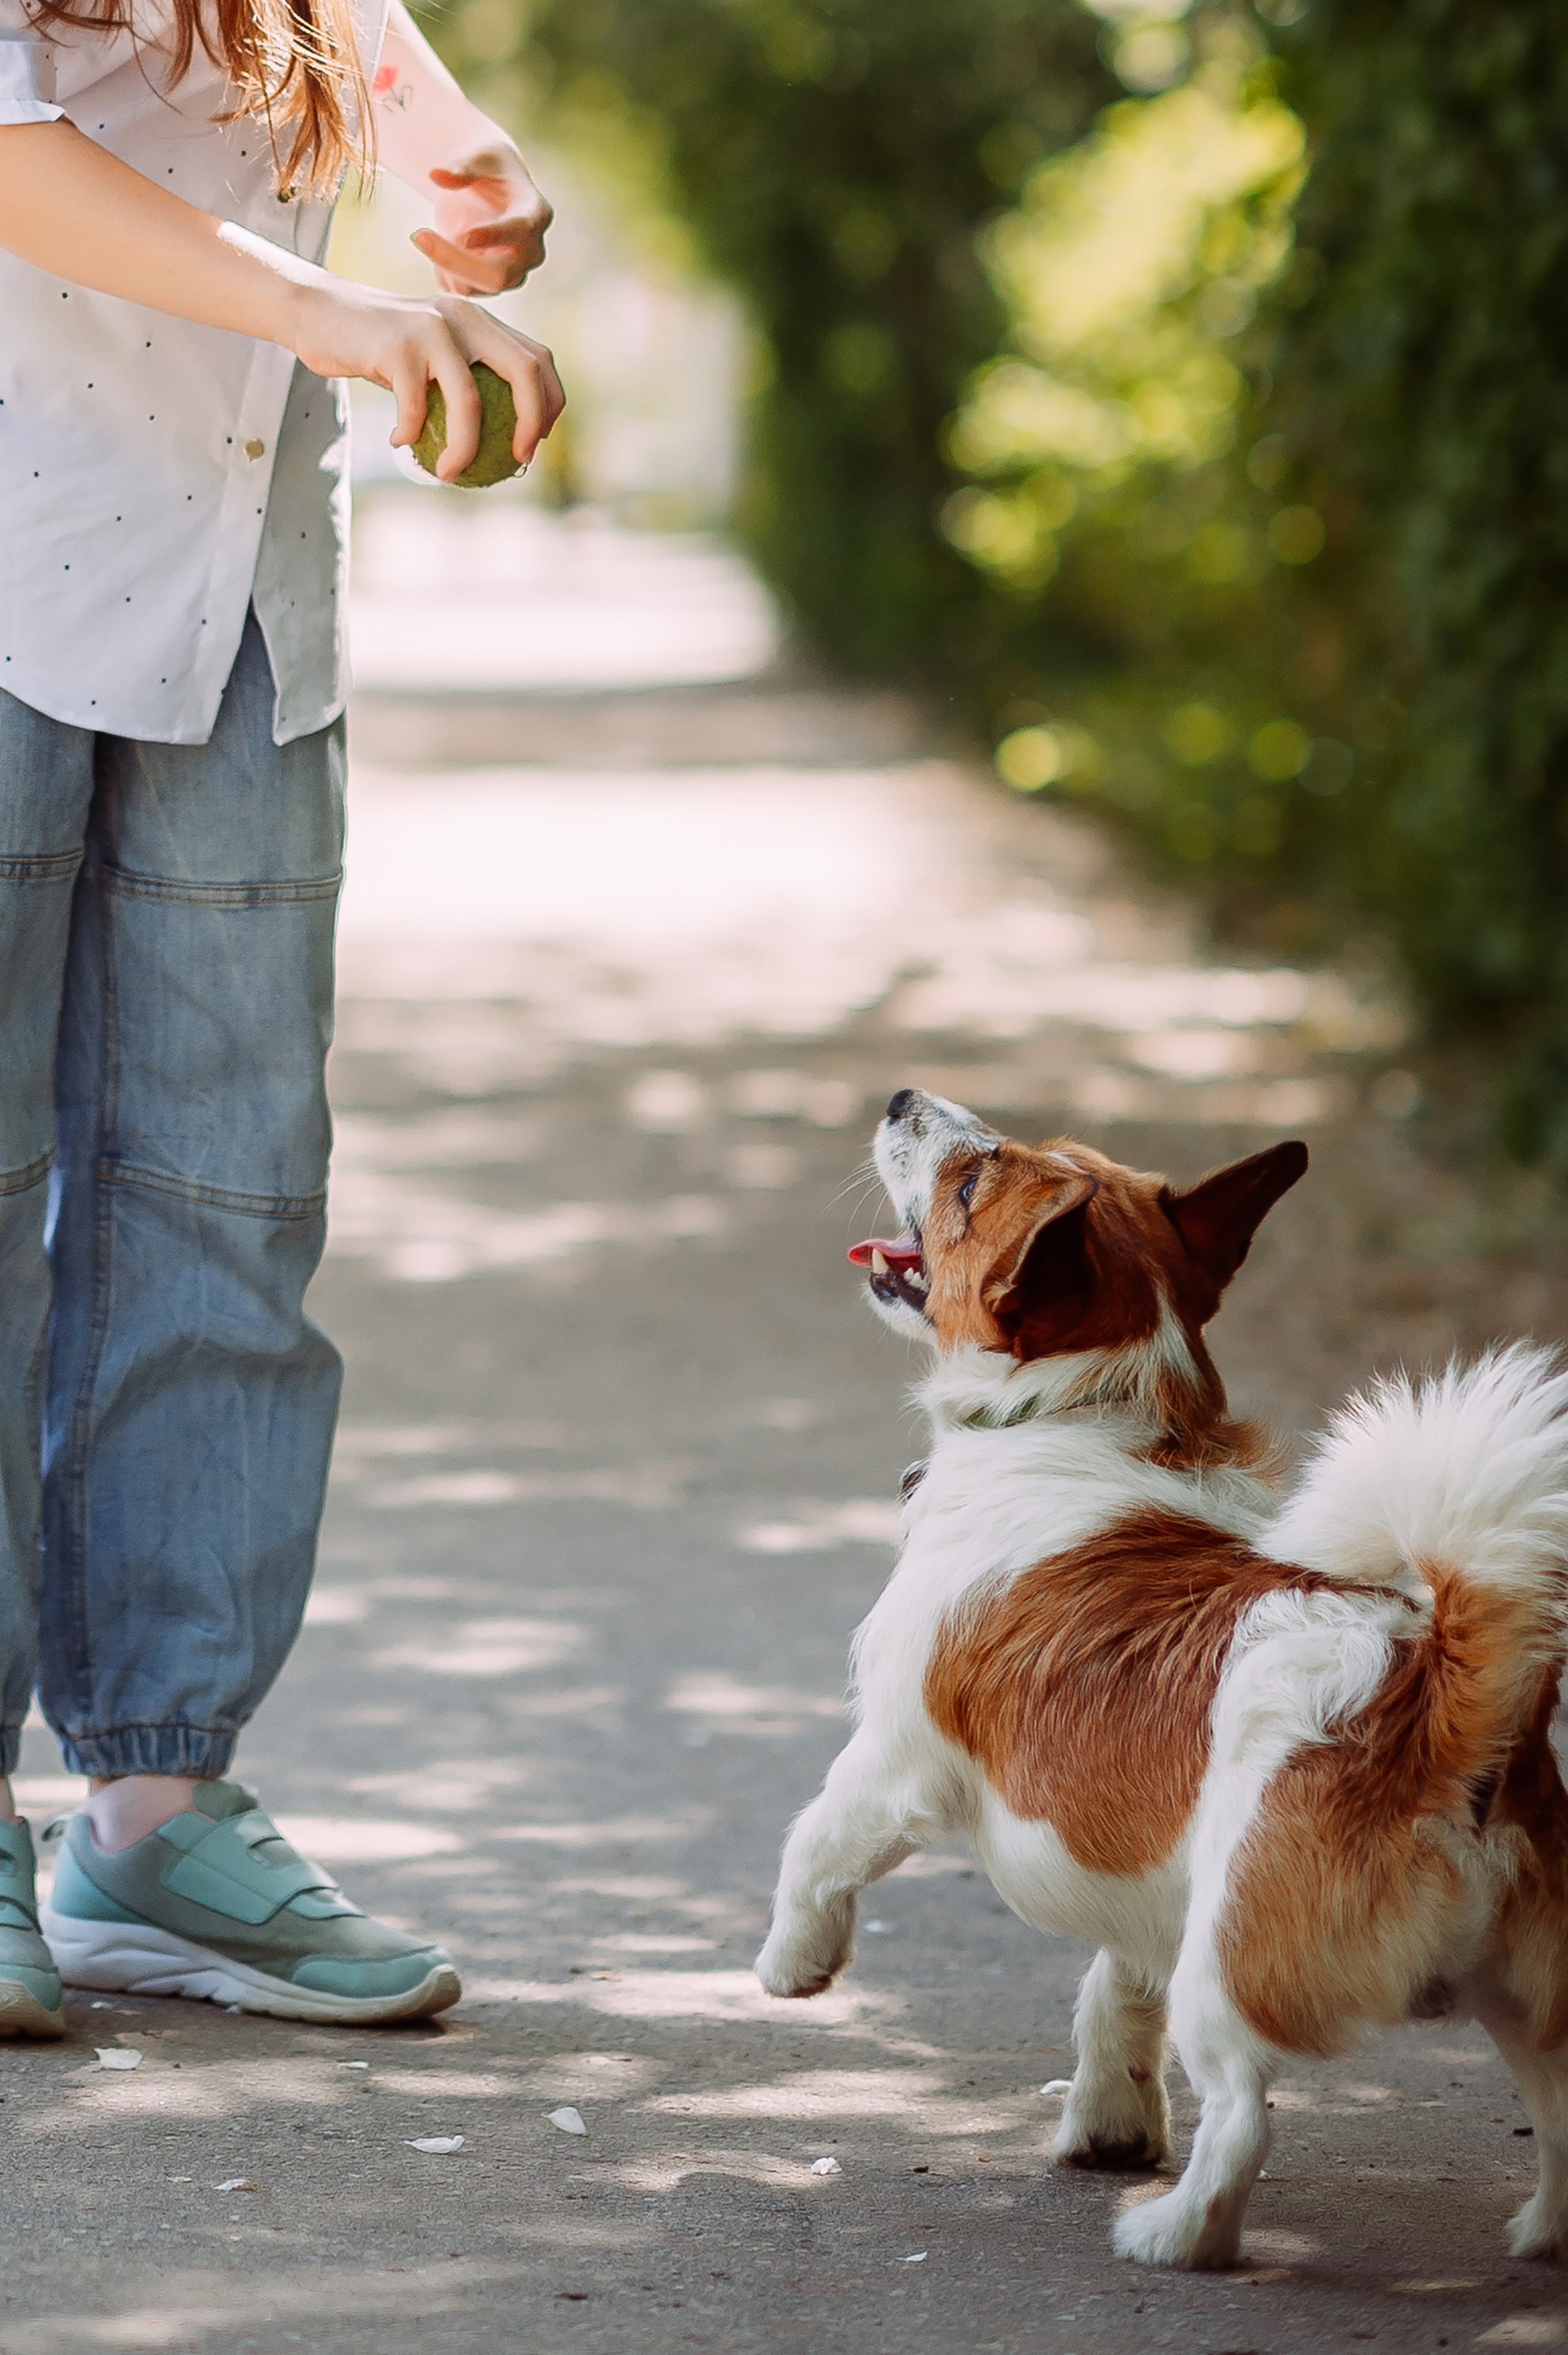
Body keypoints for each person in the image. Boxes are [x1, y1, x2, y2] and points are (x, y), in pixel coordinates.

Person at [0, 0, 564, 2030]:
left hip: (242, 604)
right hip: (4, 574)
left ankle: (155, 1819)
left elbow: (366, 74)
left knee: (230, 1210)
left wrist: (464, 183)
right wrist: (347, 316)